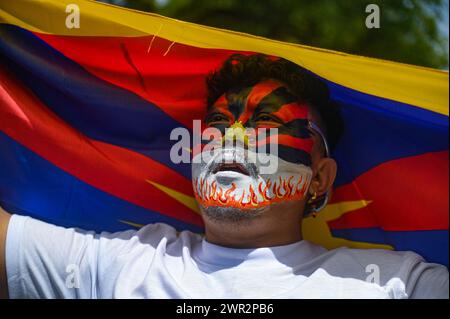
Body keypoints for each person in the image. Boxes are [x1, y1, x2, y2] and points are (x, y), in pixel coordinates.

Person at [0, 54, 448, 299]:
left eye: (266, 125)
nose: (231, 138)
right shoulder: (121, 264)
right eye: (216, 123)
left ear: (319, 179)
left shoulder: (395, 284)